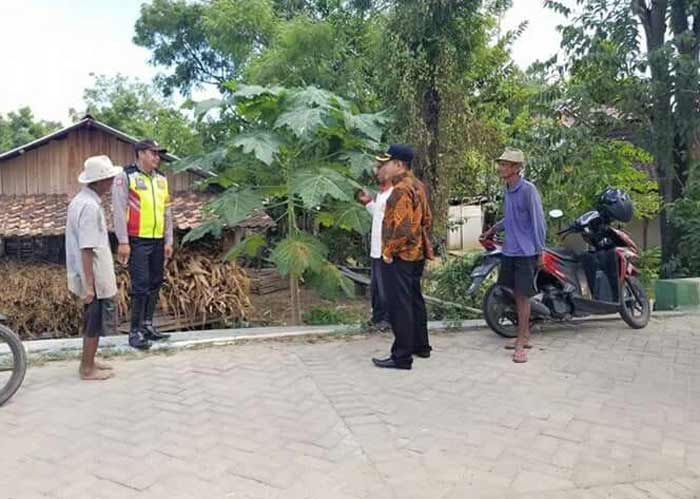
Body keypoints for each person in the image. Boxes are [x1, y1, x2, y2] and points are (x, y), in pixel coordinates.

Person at [481, 148, 546, 363]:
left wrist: (540, 251)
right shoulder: (508, 190)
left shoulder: (528, 190)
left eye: (506, 164)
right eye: (501, 164)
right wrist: (493, 230)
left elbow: (538, 222)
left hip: (526, 251)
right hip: (509, 248)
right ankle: (524, 335)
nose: (501, 168)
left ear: (517, 168)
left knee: (522, 295)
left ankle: (521, 343)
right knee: (512, 292)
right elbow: (509, 219)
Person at [371, 145, 433, 370]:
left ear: (398, 164)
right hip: (417, 253)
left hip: (400, 255)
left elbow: (403, 228)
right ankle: (421, 346)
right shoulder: (418, 185)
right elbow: (427, 219)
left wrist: (388, 251)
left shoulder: (399, 190)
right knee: (414, 299)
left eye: (385, 163)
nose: (382, 168)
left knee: (400, 304)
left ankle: (401, 356)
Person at [112, 139, 173, 350]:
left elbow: (167, 212)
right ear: (140, 154)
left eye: (159, 154)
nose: (157, 157)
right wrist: (122, 241)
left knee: (155, 282)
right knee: (140, 285)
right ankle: (135, 331)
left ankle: (148, 325)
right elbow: (118, 211)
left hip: (157, 240)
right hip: (136, 240)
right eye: (152, 153)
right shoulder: (126, 176)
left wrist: (169, 240)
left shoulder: (162, 179)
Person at [66, 155, 123, 380]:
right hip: (94, 276)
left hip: (92, 273)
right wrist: (89, 286)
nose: (110, 183)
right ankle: (86, 368)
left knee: (94, 320)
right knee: (93, 320)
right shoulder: (88, 206)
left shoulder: (83, 201)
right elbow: (87, 248)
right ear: (98, 182)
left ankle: (89, 361)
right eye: (108, 179)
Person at [357, 162, 393, 332]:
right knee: (377, 287)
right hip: (376, 249)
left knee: (387, 287)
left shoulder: (395, 193)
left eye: (379, 170)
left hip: (388, 250)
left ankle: (388, 320)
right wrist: (369, 203)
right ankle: (377, 317)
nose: (377, 174)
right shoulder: (382, 194)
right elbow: (379, 216)